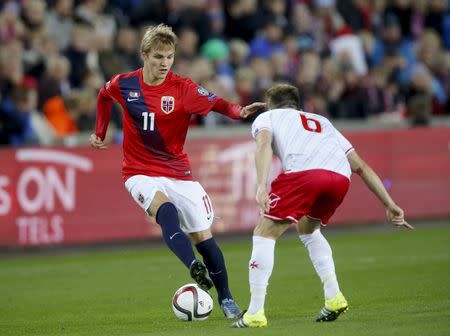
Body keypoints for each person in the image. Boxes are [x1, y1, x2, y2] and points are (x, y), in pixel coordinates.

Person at [89, 24, 265, 319]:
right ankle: (192, 266)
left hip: (178, 172)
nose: (164, 63)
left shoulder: (182, 88)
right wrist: (100, 131)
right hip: (138, 171)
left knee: (204, 238)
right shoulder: (124, 84)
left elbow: (217, 103)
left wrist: (238, 111)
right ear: (144, 55)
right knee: (164, 209)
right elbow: (103, 96)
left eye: (169, 57)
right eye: (158, 57)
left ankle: (226, 298)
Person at [232, 83, 413, 328]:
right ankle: (334, 297)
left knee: (264, 233)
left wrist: (261, 185)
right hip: (339, 178)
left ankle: (254, 313)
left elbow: (263, 145)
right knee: (307, 229)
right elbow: (360, 166)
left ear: (269, 104)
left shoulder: (267, 117)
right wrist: (390, 204)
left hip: (305, 175)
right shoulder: (322, 121)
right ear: (298, 104)